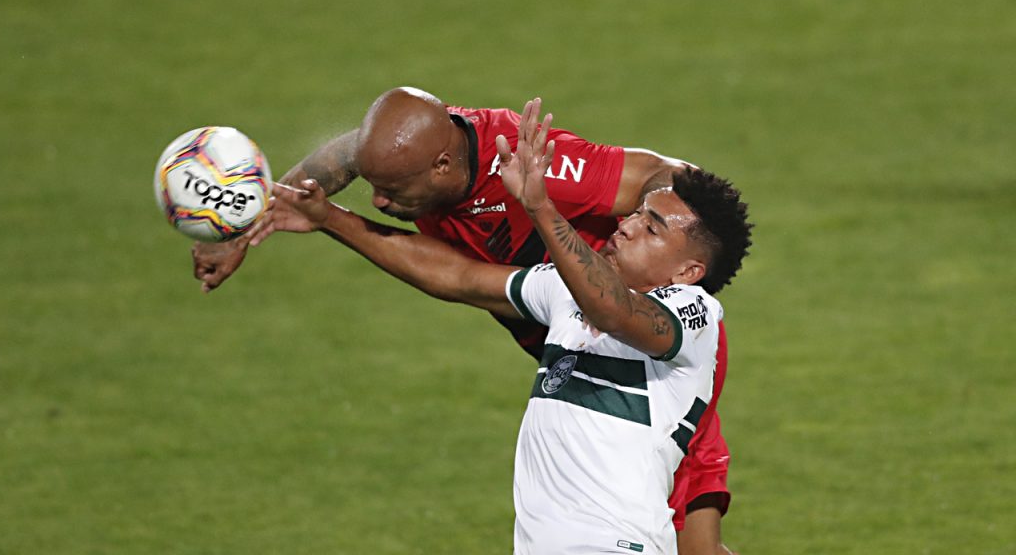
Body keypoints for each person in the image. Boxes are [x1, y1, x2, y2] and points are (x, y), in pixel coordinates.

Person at [193, 89, 737, 553]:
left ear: (442, 166)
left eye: (393, 190)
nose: (379, 201)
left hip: (649, 356)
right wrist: (260, 219)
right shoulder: (418, 149)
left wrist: (653, 236)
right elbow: (453, 273)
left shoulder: (527, 163)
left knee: (693, 540)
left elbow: (669, 181)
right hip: (574, 345)